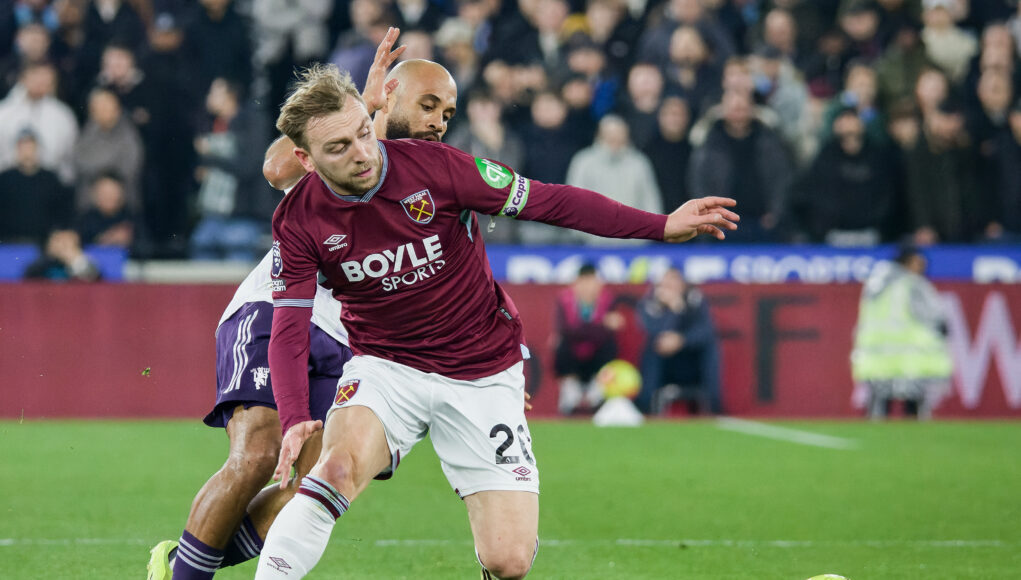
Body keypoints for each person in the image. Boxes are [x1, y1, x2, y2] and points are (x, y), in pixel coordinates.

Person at [254, 62, 737, 580]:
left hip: (483, 371)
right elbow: (288, 328)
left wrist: (661, 225)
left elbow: (551, 201)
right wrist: (294, 416)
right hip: (386, 367)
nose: (363, 153)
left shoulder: (439, 168)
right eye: (339, 148)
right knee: (334, 469)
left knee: (508, 560)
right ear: (305, 159)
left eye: (363, 133)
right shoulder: (298, 219)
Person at [145, 29, 412, 580]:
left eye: (440, 110)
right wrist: (355, 108)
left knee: (315, 488)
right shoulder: (339, 151)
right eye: (421, 102)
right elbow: (275, 168)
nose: (432, 118)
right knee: (259, 453)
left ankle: (184, 565)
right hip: (274, 310)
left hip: (350, 344)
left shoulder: (433, 189)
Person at [851, 246, 952, 420]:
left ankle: (875, 442)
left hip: (878, 358)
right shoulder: (913, 285)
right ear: (907, 262)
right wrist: (942, 327)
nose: (922, 267)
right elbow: (932, 316)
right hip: (910, 357)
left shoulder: (875, 284)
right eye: (918, 262)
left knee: (878, 405)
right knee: (913, 405)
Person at [635, 268, 722, 415]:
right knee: (652, 350)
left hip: (693, 364)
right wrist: (673, 312)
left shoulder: (695, 300)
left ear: (682, 285)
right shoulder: (648, 303)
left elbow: (706, 331)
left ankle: (715, 408)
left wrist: (681, 340)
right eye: (665, 285)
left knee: (710, 347)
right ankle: (646, 408)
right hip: (665, 366)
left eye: (674, 284)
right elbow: (654, 332)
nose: (669, 289)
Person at [554, 263, 624, 416]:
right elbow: (567, 330)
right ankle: (570, 392)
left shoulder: (607, 300)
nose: (588, 287)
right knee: (560, 344)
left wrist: (586, 328)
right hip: (573, 354)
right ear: (576, 283)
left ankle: (598, 390)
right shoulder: (565, 300)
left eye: (592, 282)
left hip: (597, 355)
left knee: (609, 346)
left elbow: (607, 334)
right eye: (584, 282)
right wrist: (601, 324)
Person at [23, 229, 100, 282]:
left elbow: (96, 282)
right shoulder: (41, 265)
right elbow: (28, 280)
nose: (62, 247)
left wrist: (75, 261)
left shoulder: (86, 263)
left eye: (66, 243)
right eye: (59, 241)